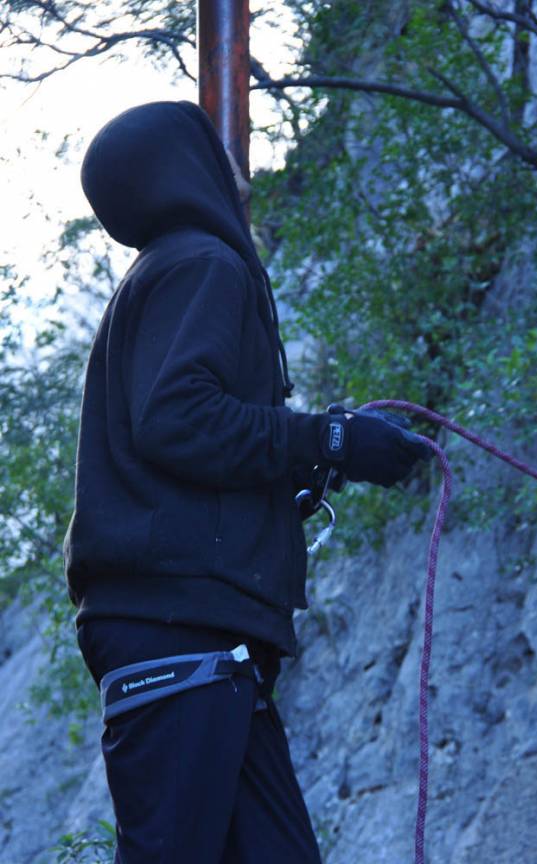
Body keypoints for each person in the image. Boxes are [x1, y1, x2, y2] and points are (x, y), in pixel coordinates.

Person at [63, 100, 432, 864]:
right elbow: (177, 419)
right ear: (183, 167)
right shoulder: (202, 265)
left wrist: (306, 466)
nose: (240, 171)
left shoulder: (163, 276)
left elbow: (182, 438)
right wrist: (332, 437)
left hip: (203, 647)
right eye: (220, 153)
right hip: (180, 637)